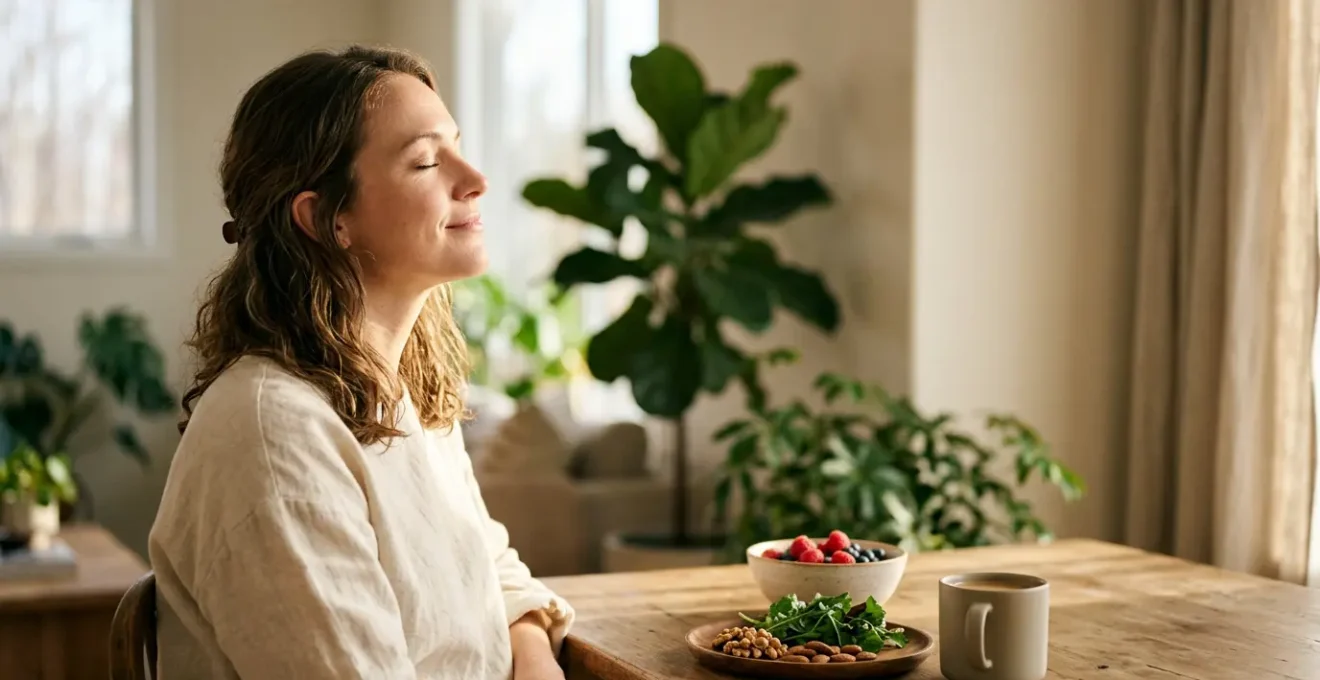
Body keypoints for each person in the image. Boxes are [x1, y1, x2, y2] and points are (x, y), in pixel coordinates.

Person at [148, 45, 573, 679]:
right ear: (325, 218)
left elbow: (491, 565)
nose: (474, 177)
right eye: (427, 160)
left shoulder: (400, 394)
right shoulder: (273, 432)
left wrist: (535, 656)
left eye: (455, 145)